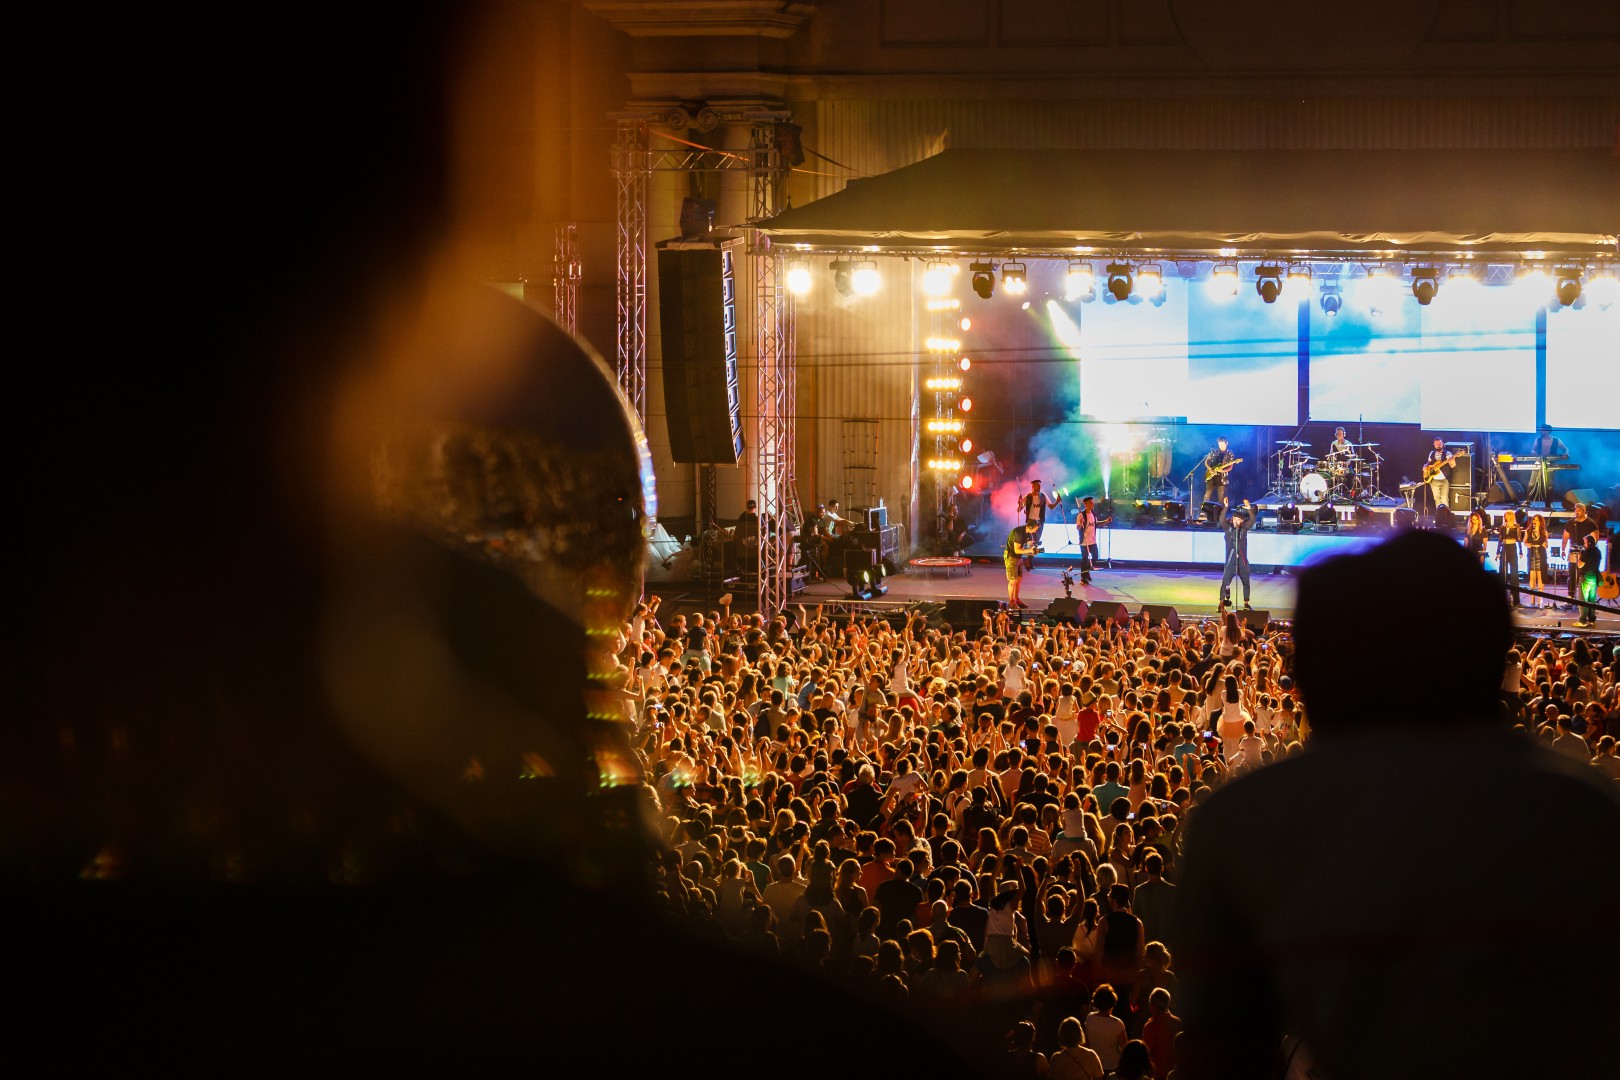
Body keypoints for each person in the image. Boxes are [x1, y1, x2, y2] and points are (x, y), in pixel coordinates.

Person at [1175, 530, 1620, 1079]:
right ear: (1487, 659)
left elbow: (1221, 1056)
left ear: (1319, 676)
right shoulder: (1585, 815)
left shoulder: (1244, 824)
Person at [1562, 503, 1598, 611]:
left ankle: (1584, 598)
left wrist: (1590, 552)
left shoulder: (1590, 523)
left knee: (1583, 574)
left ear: (1584, 510)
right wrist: (1563, 549)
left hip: (1585, 552)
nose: (1576, 512)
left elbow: (1595, 538)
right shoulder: (1570, 523)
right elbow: (1565, 537)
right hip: (1574, 550)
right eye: (1575, 510)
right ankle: (1571, 595)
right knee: (1572, 572)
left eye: (1578, 510)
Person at [1218, 501, 1253, 609]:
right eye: (1234, 519)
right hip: (1230, 561)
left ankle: (1246, 604)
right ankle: (1221, 604)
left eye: (1238, 520)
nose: (1235, 521)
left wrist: (1249, 509)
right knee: (1225, 583)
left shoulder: (1244, 529)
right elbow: (1221, 519)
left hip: (1242, 561)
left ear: (1242, 521)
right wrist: (1226, 507)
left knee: (1246, 582)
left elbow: (1252, 520)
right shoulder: (1228, 528)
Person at [1525, 424, 1569, 505]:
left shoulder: (1556, 440)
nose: (1540, 431)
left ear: (1547, 431)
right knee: (1532, 482)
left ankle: (1549, 502)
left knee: (1550, 484)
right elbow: (1533, 450)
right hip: (1539, 461)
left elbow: (1566, 449)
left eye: (1542, 429)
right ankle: (1527, 500)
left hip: (1550, 463)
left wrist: (1565, 454)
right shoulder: (1538, 440)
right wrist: (1533, 453)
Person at [1200, 437, 1236, 513]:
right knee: (1207, 493)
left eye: (1223, 445)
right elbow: (1206, 462)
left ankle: (1221, 513)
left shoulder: (1230, 453)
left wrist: (1223, 470)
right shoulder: (1215, 451)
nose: (1221, 446)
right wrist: (1210, 469)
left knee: (1221, 496)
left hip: (1222, 477)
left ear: (1227, 444)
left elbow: (1231, 467)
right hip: (1211, 476)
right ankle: (1204, 511)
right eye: (1219, 445)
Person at [1006, 522, 1037, 609]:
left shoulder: (1028, 534)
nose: (1035, 531)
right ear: (1030, 526)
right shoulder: (1019, 533)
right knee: (1013, 580)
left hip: (1019, 558)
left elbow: (1028, 547)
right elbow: (1017, 550)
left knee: (1019, 579)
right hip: (1011, 557)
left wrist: (1034, 550)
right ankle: (1011, 601)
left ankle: (1016, 599)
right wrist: (1029, 551)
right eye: (1035, 528)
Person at [1575, 532, 1603, 628]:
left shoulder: (1587, 552)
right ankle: (1591, 620)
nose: (1584, 544)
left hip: (1585, 577)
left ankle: (1582, 621)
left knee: (1583, 599)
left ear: (1589, 543)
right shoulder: (1598, 551)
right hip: (1594, 578)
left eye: (1585, 542)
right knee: (1592, 600)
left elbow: (1580, 565)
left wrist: (1579, 556)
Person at [1422, 436, 1454, 517]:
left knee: (1444, 498)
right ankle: (1439, 517)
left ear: (1443, 444)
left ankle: (1447, 517)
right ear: (1434, 444)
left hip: (1444, 480)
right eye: (1436, 444)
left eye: (1440, 443)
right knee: (1437, 499)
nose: (1438, 445)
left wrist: (1452, 460)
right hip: (1433, 480)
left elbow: (1452, 465)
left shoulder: (1447, 453)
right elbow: (1428, 464)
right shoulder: (1431, 453)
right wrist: (1425, 467)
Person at [1076, 495, 1103, 585]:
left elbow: (1096, 523)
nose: (1093, 504)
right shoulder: (1081, 515)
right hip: (1084, 541)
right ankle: (1083, 577)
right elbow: (1078, 527)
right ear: (1086, 504)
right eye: (1091, 503)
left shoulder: (1093, 514)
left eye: (1092, 502)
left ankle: (1086, 572)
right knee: (1085, 559)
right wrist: (1081, 524)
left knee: (1095, 557)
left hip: (1092, 540)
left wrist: (1106, 521)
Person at [1525, 512, 1550, 608]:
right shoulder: (1528, 531)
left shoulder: (1544, 532)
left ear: (1540, 521)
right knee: (1532, 576)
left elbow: (1546, 544)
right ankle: (1532, 599)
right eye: (1533, 520)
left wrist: (1545, 545)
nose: (1535, 522)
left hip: (1540, 554)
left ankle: (1540, 598)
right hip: (1531, 554)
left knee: (1540, 576)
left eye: (1537, 520)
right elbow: (1525, 541)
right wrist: (1527, 544)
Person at [1498, 508, 1521, 606]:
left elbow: (1519, 539)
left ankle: (1516, 599)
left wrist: (1520, 551)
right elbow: (1500, 540)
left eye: (1506, 515)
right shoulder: (1502, 527)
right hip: (1504, 548)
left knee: (1514, 572)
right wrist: (1498, 552)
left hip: (1512, 547)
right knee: (1503, 571)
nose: (1505, 517)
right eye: (1504, 516)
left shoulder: (1516, 526)